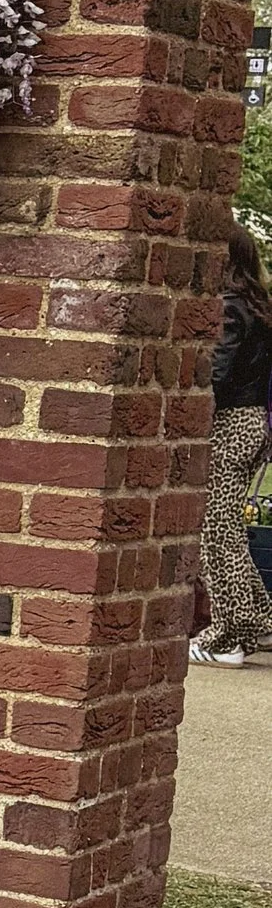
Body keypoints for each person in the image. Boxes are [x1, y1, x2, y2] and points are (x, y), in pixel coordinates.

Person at [195, 229, 272, 663]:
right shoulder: (259, 306)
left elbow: (217, 375)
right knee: (227, 527)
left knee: (218, 531)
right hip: (253, 423)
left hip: (229, 425)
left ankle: (229, 636)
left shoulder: (229, 308)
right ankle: (259, 619)